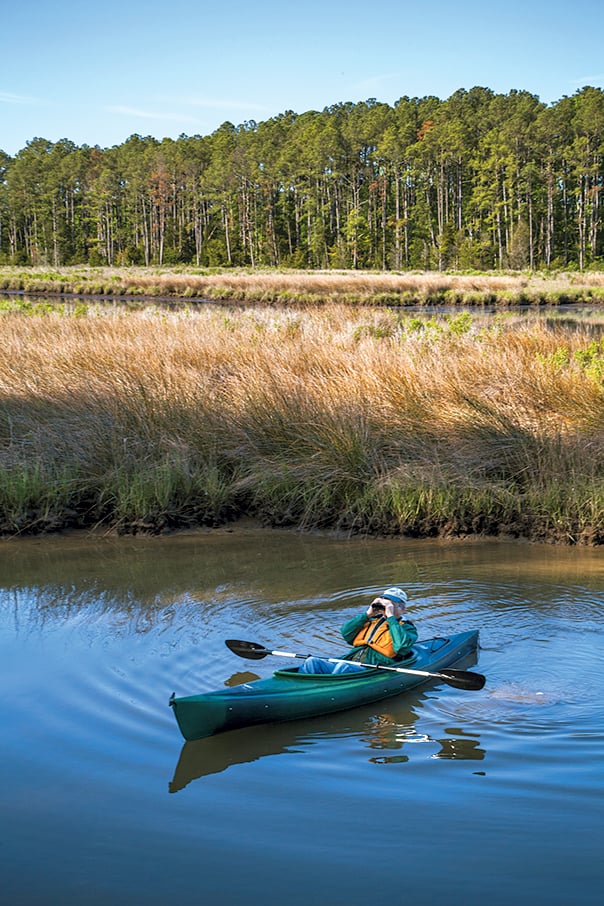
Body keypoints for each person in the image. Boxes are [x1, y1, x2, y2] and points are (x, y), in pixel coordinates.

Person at [299, 586, 418, 674]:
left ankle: (326, 692)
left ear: (402, 608)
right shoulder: (371, 620)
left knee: (344, 667)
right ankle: (300, 687)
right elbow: (346, 633)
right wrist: (367, 614)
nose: (386, 607)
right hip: (351, 659)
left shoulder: (407, 628)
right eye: (384, 603)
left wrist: (391, 617)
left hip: (373, 666)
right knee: (312, 662)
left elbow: (402, 646)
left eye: (391, 604)